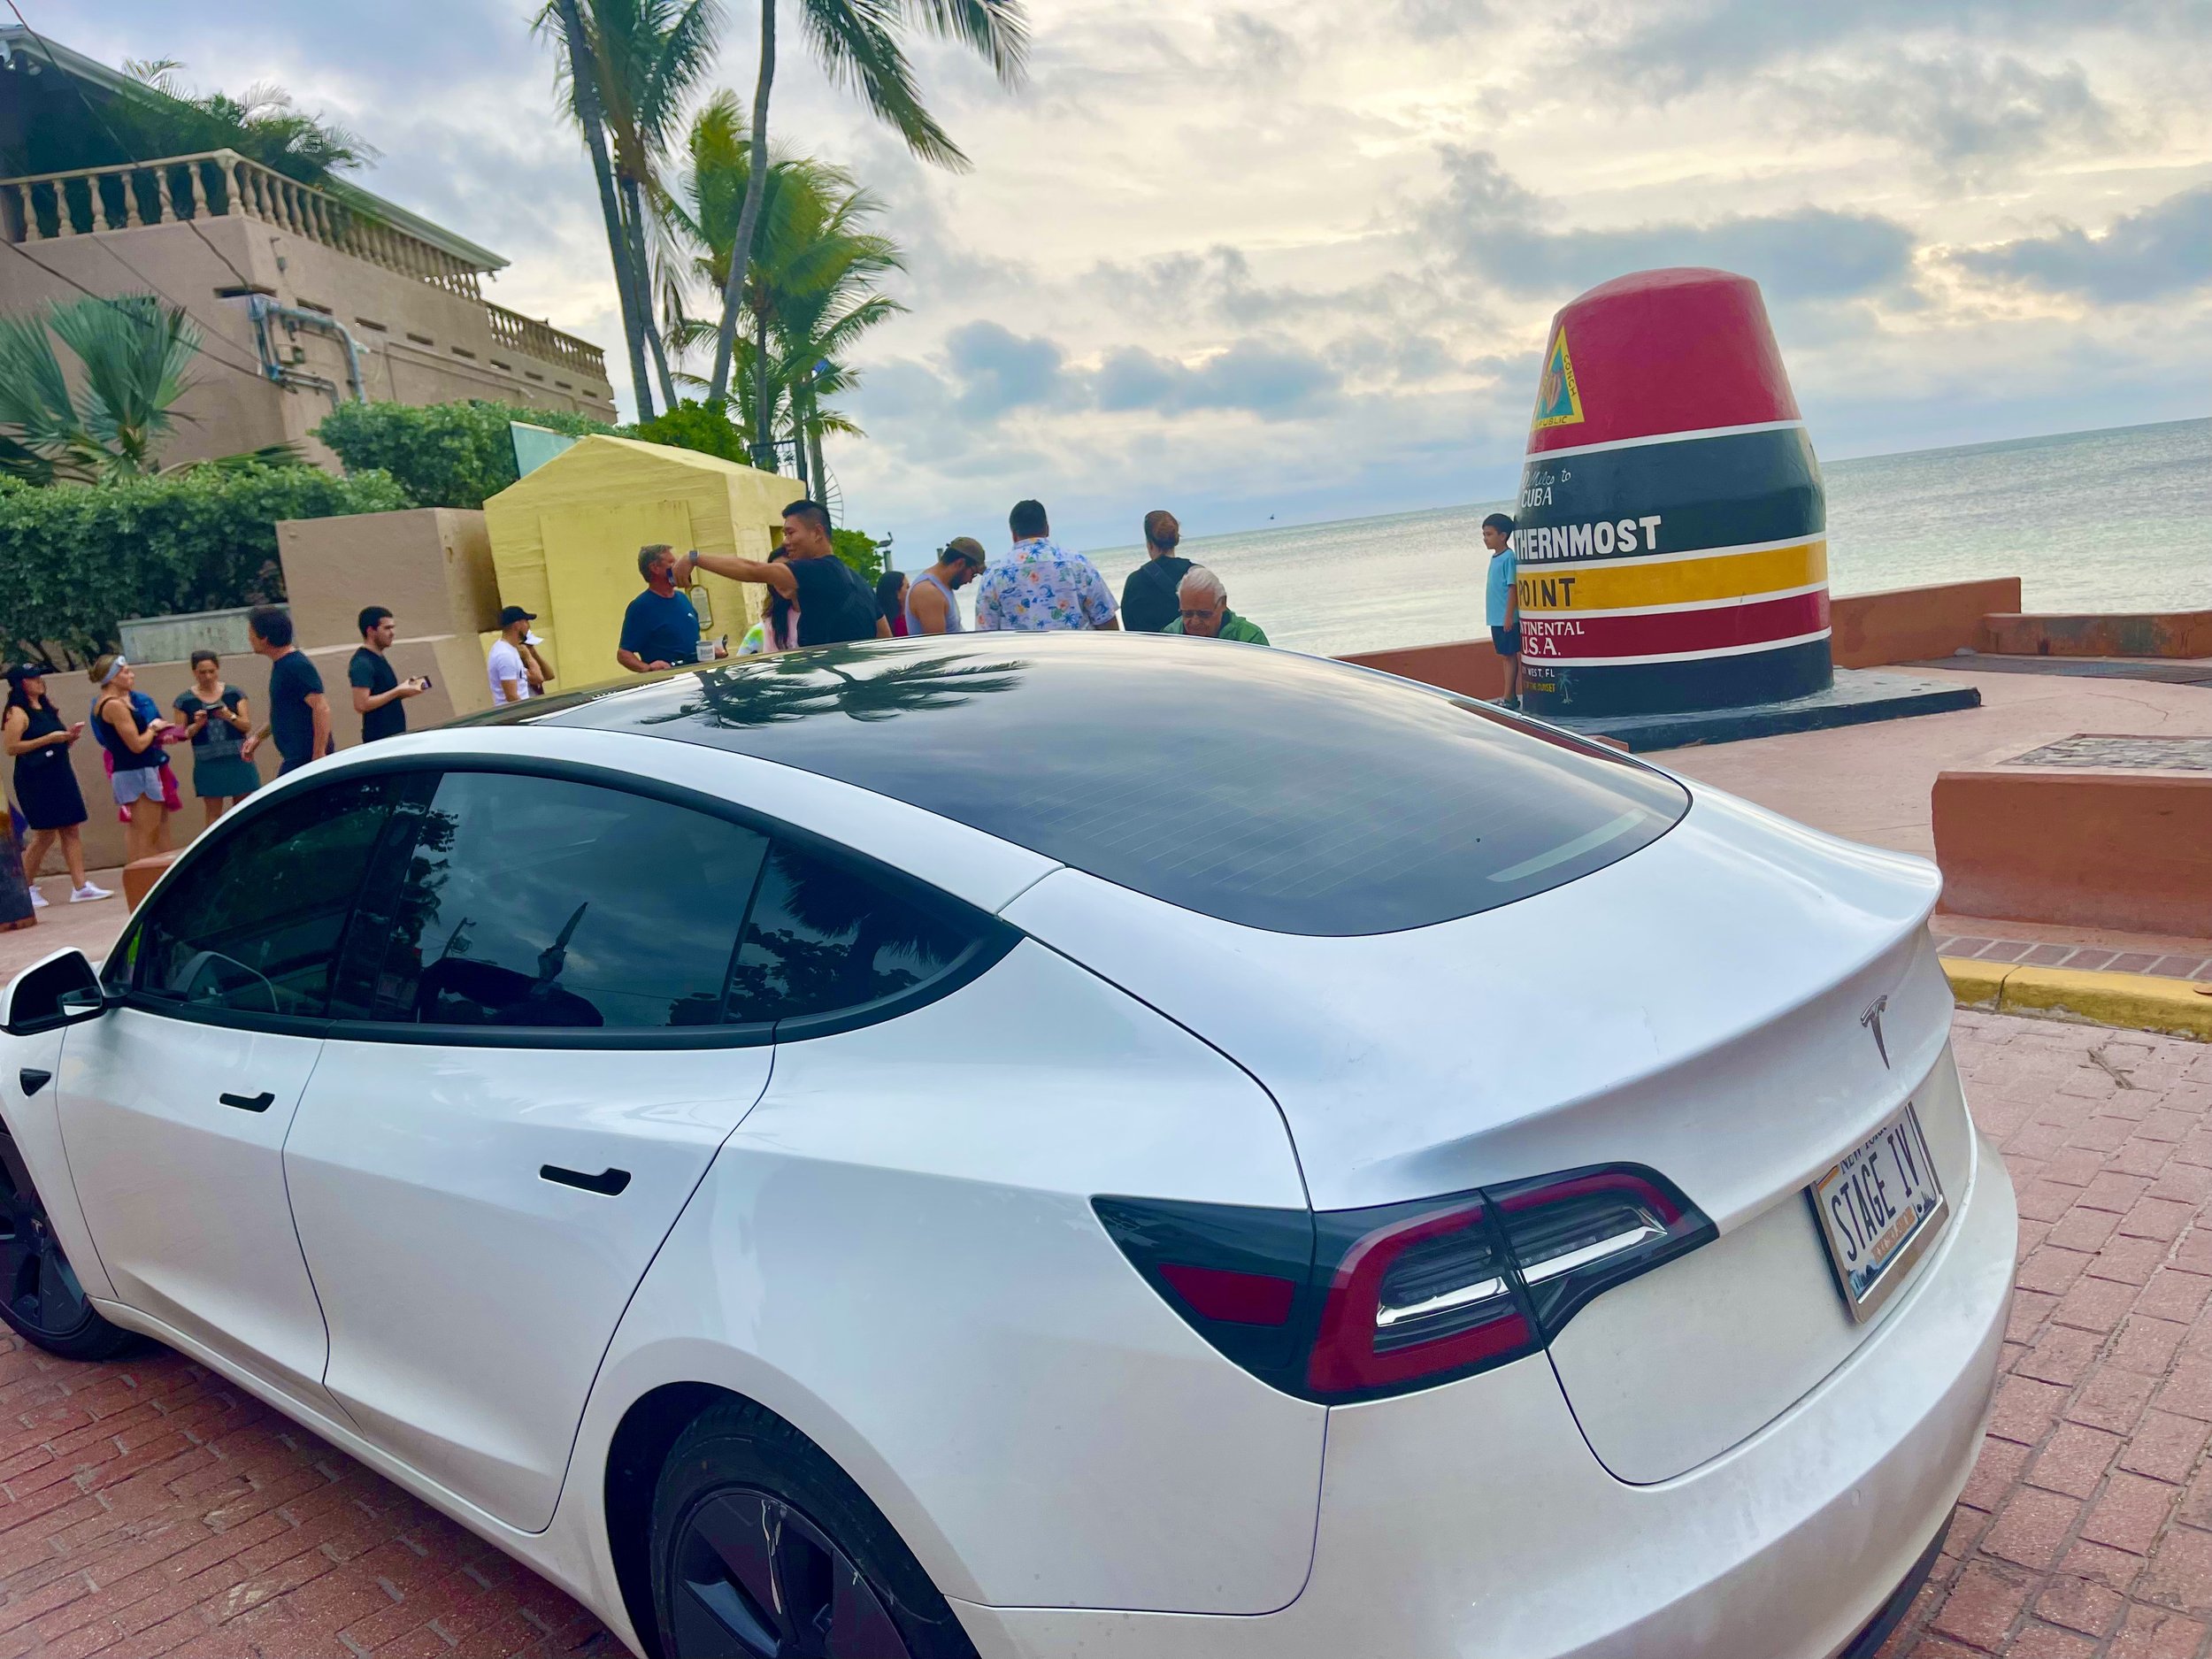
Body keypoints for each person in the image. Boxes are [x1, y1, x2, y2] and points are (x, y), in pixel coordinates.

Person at [684, 501, 887, 648]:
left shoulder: (819, 571)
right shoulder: (858, 581)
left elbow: (752, 570)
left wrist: (695, 558)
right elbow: (885, 638)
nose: (785, 541)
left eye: (790, 533)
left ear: (817, 532)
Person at [3, 664, 105, 905]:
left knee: (71, 827)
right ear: (20, 684)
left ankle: (80, 886)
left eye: (40, 677)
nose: (39, 681)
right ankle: (25, 886)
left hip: (59, 771)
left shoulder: (46, 708)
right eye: (32, 678)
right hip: (35, 778)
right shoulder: (17, 712)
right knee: (45, 833)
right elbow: (11, 747)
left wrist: (66, 739)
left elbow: (53, 740)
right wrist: (48, 739)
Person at [972, 500, 1119, 633]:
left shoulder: (994, 574)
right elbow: (1106, 621)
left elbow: (985, 635)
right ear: (1047, 529)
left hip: (1021, 661)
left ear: (1013, 534)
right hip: (1078, 658)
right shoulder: (1078, 564)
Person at [88, 654, 171, 864]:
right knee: (148, 833)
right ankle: (144, 882)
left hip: (130, 770)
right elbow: (137, 744)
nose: (131, 675)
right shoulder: (114, 705)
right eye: (126, 672)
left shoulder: (106, 703)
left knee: (137, 830)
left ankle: (138, 881)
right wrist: (154, 727)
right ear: (113, 677)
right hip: (137, 770)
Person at [241, 605, 331, 775]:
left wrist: (318, 754)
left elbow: (321, 707)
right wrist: (258, 737)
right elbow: (284, 712)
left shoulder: (295, 665)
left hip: (305, 757)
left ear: (264, 638)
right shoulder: (282, 666)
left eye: (251, 633)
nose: (249, 638)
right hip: (294, 756)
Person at [172, 650, 257, 827]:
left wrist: (229, 716)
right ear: (194, 672)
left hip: (238, 758)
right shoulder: (184, 701)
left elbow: (246, 725)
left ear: (217, 669)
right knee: (213, 813)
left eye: (211, 671)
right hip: (208, 762)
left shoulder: (234, 694)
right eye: (202, 672)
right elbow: (180, 734)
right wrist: (197, 725)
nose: (208, 676)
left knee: (244, 810)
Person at [618, 544, 709, 672]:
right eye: (672, 562)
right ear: (655, 568)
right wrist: (648, 668)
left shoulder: (682, 598)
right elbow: (624, 654)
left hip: (695, 680)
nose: (679, 566)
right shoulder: (642, 607)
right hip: (669, 683)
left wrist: (711, 651)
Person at [349, 605, 428, 743]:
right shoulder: (362, 662)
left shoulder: (378, 657)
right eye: (387, 628)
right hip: (380, 740)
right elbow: (361, 704)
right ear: (370, 631)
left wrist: (406, 690)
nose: (392, 633)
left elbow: (383, 694)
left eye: (393, 627)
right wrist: (398, 691)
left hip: (395, 735)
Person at [1120, 509, 1193, 634]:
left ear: (1149, 544)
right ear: (1177, 540)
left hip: (1153, 651)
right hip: (1193, 650)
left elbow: (1131, 630)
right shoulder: (1196, 574)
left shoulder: (1135, 581)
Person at [1163, 565, 1270, 644]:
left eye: (1204, 614)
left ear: (1223, 603)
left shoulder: (1249, 638)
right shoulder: (1170, 636)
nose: (1195, 622)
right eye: (1187, 614)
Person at [904, 539, 986, 636]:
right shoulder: (928, 592)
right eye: (973, 574)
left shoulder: (943, 586)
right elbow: (938, 646)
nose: (970, 581)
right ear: (960, 563)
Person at [1483, 511, 1521, 710]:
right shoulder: (1495, 558)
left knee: (1509, 655)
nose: (1485, 539)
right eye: (1484, 535)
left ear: (1503, 536)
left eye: (1489, 534)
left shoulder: (1508, 557)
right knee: (1504, 657)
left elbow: (1512, 587)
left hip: (1505, 618)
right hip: (1495, 617)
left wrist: (1508, 616)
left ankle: (1510, 697)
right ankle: (1508, 696)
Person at [488, 606, 540, 705]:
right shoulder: (504, 655)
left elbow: (537, 678)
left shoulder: (510, 650)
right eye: (526, 622)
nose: (528, 627)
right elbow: (511, 696)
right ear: (517, 625)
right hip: (515, 715)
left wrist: (528, 655)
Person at [875, 570, 911, 638]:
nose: (911, 589)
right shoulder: (902, 625)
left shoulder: (880, 622)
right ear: (897, 594)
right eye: (907, 587)